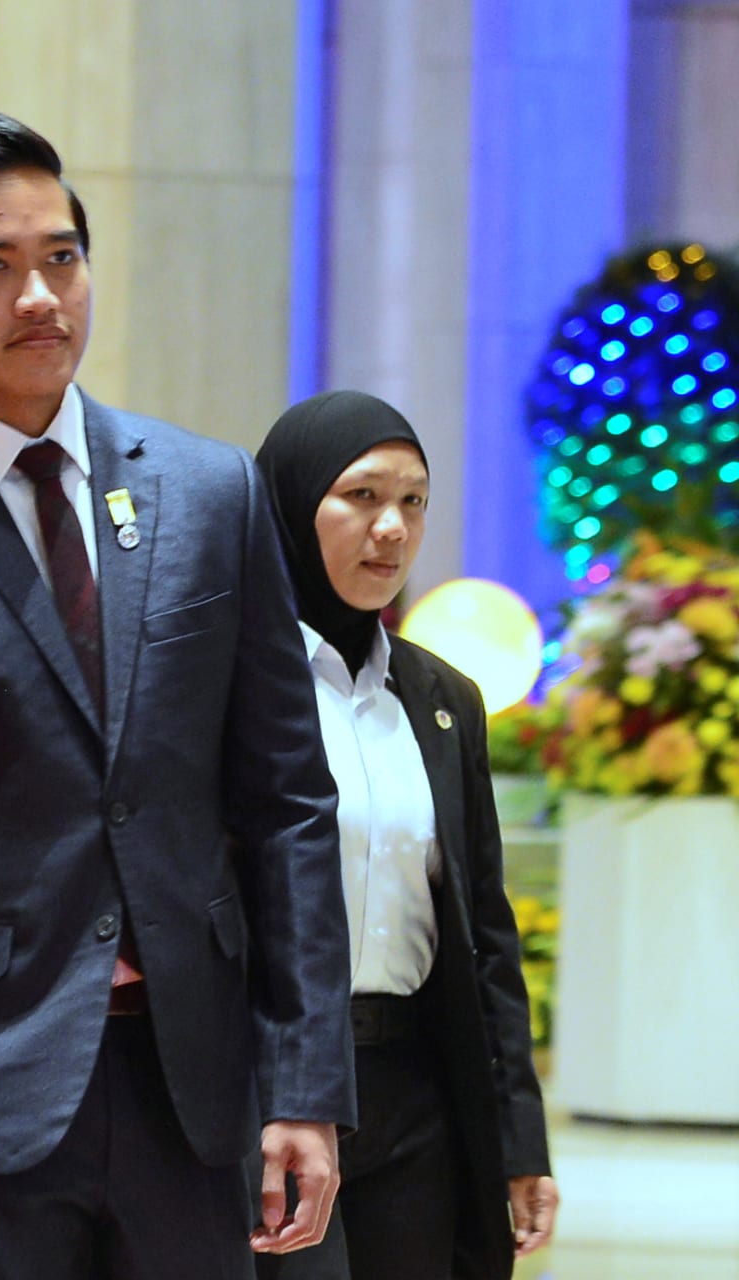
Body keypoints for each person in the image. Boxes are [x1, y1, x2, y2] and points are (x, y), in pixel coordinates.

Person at [0, 107, 357, 1279]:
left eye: (61, 256)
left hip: (199, 1084)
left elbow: (288, 801)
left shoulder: (213, 493)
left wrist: (304, 1082)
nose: (41, 295)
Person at [252, 390, 558, 1280]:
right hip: (275, 1090)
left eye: (413, 501)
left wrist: (518, 1138)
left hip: (418, 1085)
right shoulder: (237, 683)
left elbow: (484, 938)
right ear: (292, 500)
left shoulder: (442, 699)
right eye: (362, 496)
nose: (391, 528)